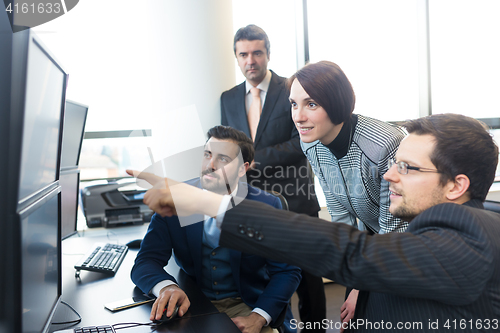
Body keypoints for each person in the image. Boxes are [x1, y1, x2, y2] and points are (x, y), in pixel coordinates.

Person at [130, 113, 500, 332]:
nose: (388, 175)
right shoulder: (426, 231)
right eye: (393, 163)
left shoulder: (473, 237)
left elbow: (352, 253)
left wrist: (205, 202)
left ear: (456, 185)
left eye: (406, 167)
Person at [130, 126, 301, 333]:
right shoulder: (174, 198)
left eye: (223, 159)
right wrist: (167, 287)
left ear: (242, 169)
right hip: (194, 302)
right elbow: (146, 261)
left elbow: (287, 271)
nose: (210, 165)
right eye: (207, 155)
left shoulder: (267, 206)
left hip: (248, 304)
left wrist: (259, 317)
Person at [288, 60, 409, 327]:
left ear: (336, 102)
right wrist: (353, 277)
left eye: (311, 104)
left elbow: (395, 228)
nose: (298, 116)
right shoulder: (311, 144)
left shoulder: (383, 145)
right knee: (351, 317)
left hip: (407, 244)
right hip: (371, 240)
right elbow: (339, 211)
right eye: (294, 104)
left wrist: (362, 289)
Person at [221, 24, 324, 332]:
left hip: (294, 200)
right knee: (269, 274)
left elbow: (303, 141)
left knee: (308, 277)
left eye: (256, 53)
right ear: (236, 58)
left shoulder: (290, 90)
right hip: (251, 203)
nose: (250, 60)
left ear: (267, 54)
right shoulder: (227, 99)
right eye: (243, 54)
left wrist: (252, 162)